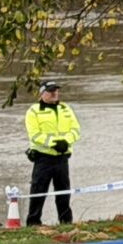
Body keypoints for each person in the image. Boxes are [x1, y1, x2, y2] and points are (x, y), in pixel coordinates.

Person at [23, 77, 80, 226]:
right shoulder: (33, 111)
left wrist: (65, 142)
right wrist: (54, 144)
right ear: (42, 94)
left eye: (56, 91)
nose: (54, 93)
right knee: (38, 192)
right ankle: (33, 223)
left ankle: (66, 222)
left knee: (63, 192)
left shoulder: (65, 109)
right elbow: (34, 135)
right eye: (50, 91)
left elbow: (76, 130)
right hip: (43, 159)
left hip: (62, 158)